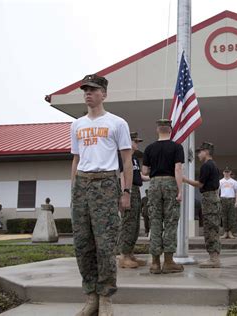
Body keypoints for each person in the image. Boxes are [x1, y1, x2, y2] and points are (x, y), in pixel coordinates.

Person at [70, 74, 133, 316]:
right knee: (82, 244)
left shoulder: (117, 123)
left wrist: (126, 191)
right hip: (82, 185)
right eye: (85, 89)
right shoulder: (77, 125)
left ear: (104, 94)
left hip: (106, 183)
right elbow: (76, 159)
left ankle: (106, 297)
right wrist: (73, 188)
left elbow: (127, 159)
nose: (88, 93)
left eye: (93, 89)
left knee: (105, 245)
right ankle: (91, 297)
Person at [142, 119, 184, 274]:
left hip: (154, 184)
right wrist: (180, 190)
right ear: (170, 130)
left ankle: (154, 262)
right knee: (171, 222)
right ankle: (168, 261)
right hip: (170, 183)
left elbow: (145, 171)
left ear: (157, 130)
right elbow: (178, 169)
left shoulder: (149, 148)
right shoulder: (177, 147)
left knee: (155, 222)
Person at [183, 142, 221, 268]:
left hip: (209, 199)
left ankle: (214, 259)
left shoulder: (206, 166)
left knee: (210, 229)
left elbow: (200, 184)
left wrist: (185, 179)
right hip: (213, 198)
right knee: (213, 228)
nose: (198, 154)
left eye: (200, 152)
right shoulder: (213, 165)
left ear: (206, 152)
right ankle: (214, 257)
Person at [118, 132, 150, 269]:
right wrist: (124, 193)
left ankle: (130, 254)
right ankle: (123, 256)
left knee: (135, 225)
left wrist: (155, 176)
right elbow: (121, 175)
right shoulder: (123, 157)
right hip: (128, 191)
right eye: (135, 141)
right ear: (129, 141)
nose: (137, 144)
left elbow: (140, 176)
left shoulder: (135, 159)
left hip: (136, 191)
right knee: (128, 223)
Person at [219, 167, 237, 239]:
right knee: (224, 217)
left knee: (231, 217)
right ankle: (225, 232)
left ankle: (230, 232)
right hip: (223, 199)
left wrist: (236, 201)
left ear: (230, 172)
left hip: (231, 199)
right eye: (225, 172)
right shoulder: (220, 181)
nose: (227, 173)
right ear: (223, 172)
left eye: (228, 172)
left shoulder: (234, 182)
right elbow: (217, 191)